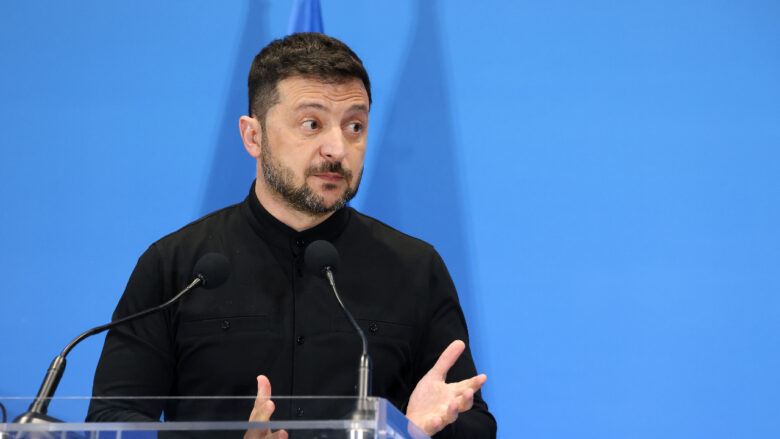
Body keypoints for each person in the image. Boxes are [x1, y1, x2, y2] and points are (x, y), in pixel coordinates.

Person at [87, 33, 496, 438]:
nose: (337, 148)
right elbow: (112, 419)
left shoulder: (414, 268)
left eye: (355, 126)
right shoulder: (175, 267)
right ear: (253, 136)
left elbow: (475, 424)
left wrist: (414, 433)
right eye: (311, 124)